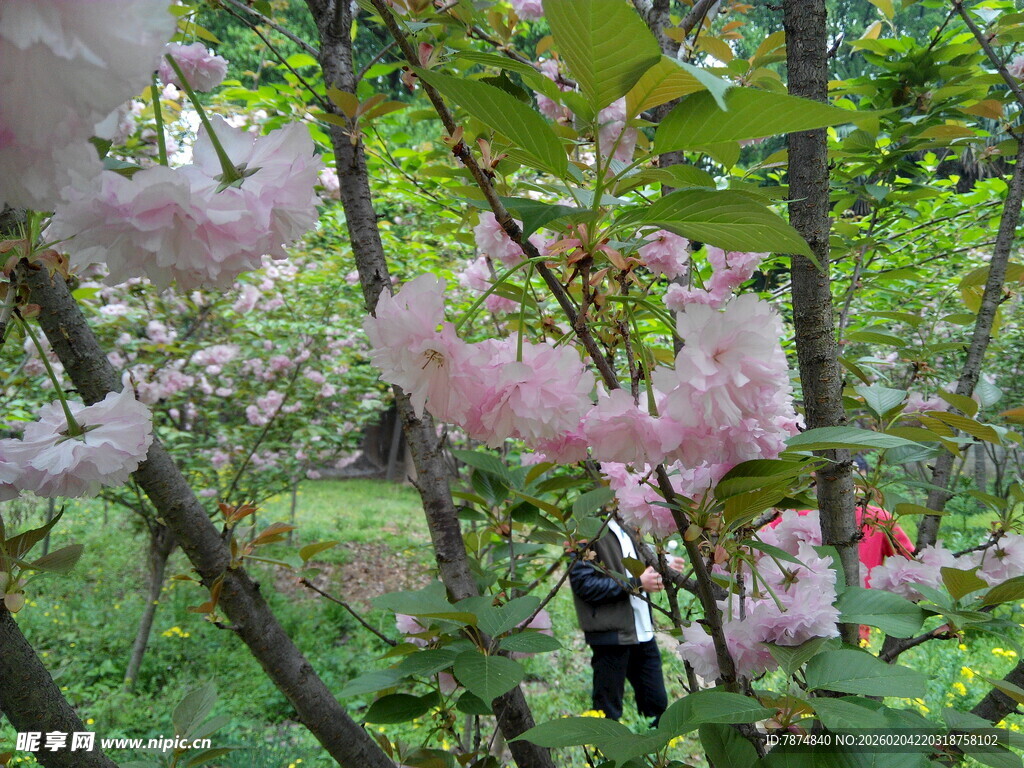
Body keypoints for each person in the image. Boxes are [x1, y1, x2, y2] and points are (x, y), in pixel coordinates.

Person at [568, 516, 680, 725]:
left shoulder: (629, 525)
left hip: (644, 632)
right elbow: (583, 584)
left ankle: (657, 753)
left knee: (656, 705)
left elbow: (639, 566)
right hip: (610, 635)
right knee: (607, 709)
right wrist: (636, 583)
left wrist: (663, 566)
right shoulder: (586, 529)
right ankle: (604, 754)